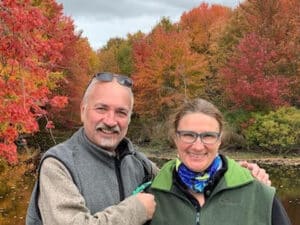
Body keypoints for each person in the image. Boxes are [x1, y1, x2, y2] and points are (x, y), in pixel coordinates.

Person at [26, 72, 271, 225]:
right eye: (101, 109)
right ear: (83, 110)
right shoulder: (58, 165)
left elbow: (181, 178)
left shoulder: (137, 162)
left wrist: (234, 175)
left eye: (121, 112)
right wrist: (135, 210)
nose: (111, 121)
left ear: (130, 118)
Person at [145, 98, 291, 225]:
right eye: (188, 135)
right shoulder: (151, 196)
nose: (197, 146)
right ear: (175, 138)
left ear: (219, 140)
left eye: (208, 136)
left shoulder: (259, 194)